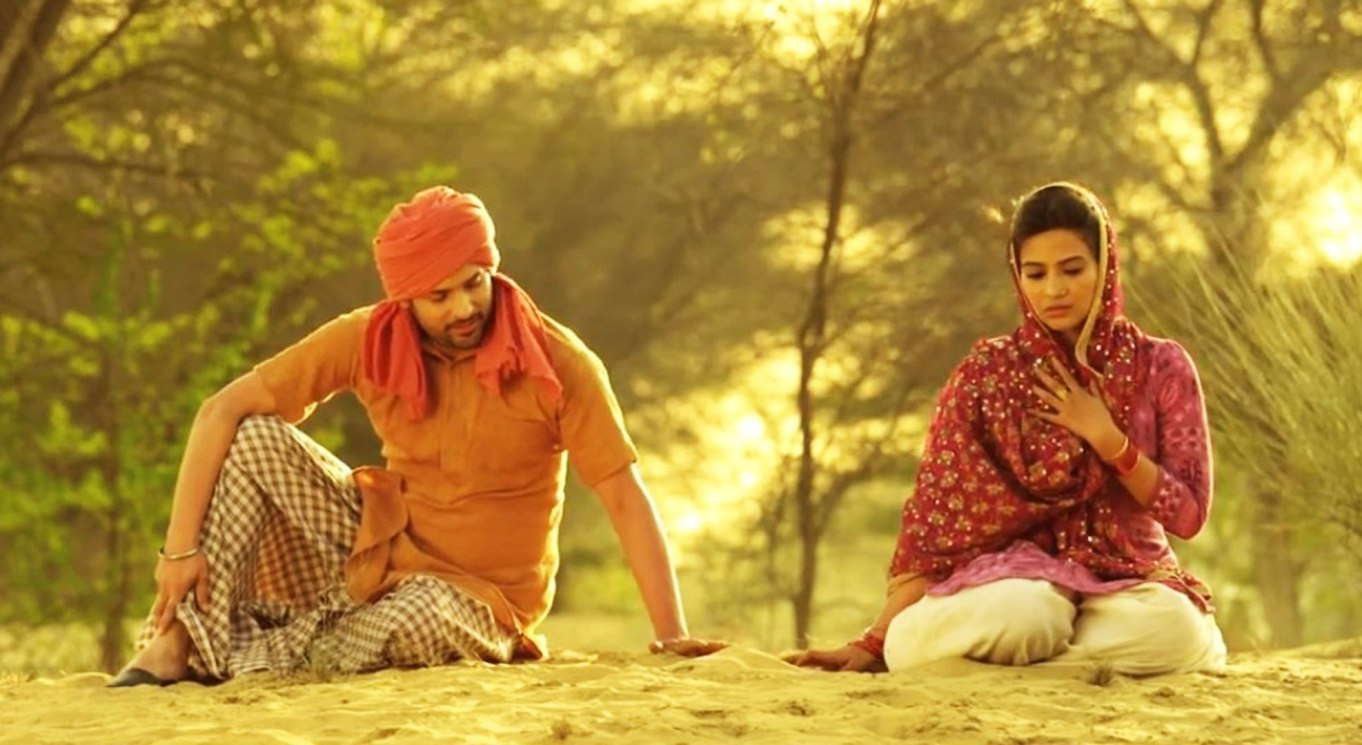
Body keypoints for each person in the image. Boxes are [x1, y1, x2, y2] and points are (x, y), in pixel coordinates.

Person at [110, 186, 723, 687]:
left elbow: (624, 497)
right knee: (254, 438)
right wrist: (179, 553)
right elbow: (219, 411)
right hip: (382, 555)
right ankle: (182, 636)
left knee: (418, 613)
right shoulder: (368, 338)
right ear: (404, 300)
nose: (464, 308)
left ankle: (220, 647)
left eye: (474, 282)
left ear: (491, 268)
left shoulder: (559, 364)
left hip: (479, 606)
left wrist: (671, 634)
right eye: (439, 295)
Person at [790, 182, 1226, 677]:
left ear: (1105, 267)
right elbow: (937, 524)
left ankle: (1012, 671)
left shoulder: (1161, 366)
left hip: (1127, 581)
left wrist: (1108, 439)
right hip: (1015, 580)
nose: (1054, 290)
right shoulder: (987, 374)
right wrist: (875, 638)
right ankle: (1072, 668)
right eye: (1035, 274)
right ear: (1017, 276)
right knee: (1027, 615)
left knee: (1173, 627)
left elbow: (1188, 515)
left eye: (1072, 270)